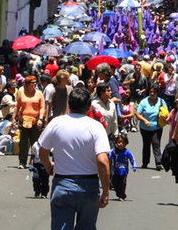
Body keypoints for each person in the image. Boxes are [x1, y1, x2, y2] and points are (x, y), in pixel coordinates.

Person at [39, 87, 110, 230]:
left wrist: (48, 166)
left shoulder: (56, 123)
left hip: (63, 183)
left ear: (69, 104)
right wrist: (106, 191)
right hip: (89, 186)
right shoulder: (95, 127)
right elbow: (102, 161)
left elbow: (42, 150)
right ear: (89, 106)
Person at [15, 74, 45, 169]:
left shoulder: (39, 93)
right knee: (23, 142)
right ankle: (22, 162)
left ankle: (35, 161)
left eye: (35, 82)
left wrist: (40, 118)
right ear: (27, 84)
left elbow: (42, 107)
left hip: (35, 121)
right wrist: (14, 117)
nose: (34, 84)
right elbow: (17, 106)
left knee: (35, 143)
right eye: (32, 82)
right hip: (24, 121)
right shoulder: (22, 93)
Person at [135, 82, 164, 170]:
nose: (152, 94)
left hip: (157, 127)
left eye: (154, 92)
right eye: (150, 92)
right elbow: (138, 114)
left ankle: (158, 162)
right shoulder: (144, 102)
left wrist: (166, 119)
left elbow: (166, 112)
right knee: (146, 145)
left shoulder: (161, 101)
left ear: (157, 93)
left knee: (156, 144)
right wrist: (145, 120)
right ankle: (145, 162)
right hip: (145, 128)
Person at [108, 132, 137, 200]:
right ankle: (119, 193)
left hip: (124, 172)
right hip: (116, 171)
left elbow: (132, 158)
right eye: (119, 142)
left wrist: (134, 166)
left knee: (122, 184)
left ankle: (122, 195)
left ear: (126, 143)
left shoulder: (127, 152)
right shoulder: (114, 151)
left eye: (123, 142)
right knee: (114, 183)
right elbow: (109, 156)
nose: (120, 144)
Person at [92, 82, 119, 146]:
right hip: (96, 137)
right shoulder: (93, 105)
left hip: (109, 136)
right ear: (102, 93)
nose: (111, 92)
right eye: (108, 91)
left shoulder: (112, 103)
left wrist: (116, 133)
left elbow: (114, 120)